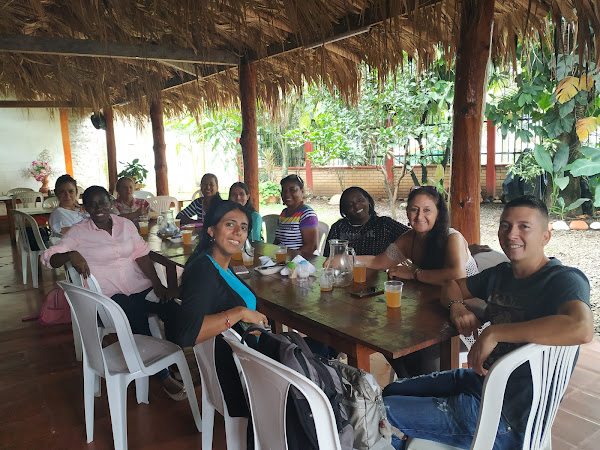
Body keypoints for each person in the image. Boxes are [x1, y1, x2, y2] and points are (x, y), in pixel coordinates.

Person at [382, 195, 593, 449]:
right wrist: (457, 306)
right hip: (481, 382)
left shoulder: (563, 280)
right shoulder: (501, 275)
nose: (511, 234)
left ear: (545, 237)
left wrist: (495, 333)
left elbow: (581, 328)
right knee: (389, 392)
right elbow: (451, 286)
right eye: (505, 225)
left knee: (377, 410)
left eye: (524, 226)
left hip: (506, 416)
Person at [41, 186, 185, 401]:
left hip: (138, 287)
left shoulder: (125, 225)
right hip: (108, 297)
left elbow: (142, 256)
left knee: (174, 310)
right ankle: (162, 375)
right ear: (85, 207)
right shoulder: (79, 231)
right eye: (92, 204)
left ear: (111, 202)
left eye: (102, 202)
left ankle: (172, 359)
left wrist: (157, 285)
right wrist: (71, 253)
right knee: (135, 316)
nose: (98, 207)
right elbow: (49, 258)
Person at [176, 200, 268, 417]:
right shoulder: (204, 272)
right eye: (230, 224)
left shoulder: (220, 265)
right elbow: (189, 333)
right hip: (237, 374)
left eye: (244, 227)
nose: (238, 232)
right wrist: (241, 313)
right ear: (211, 230)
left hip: (245, 358)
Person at [356, 186, 478, 286]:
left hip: (468, 303)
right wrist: (345, 259)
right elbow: (379, 262)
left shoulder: (452, 238)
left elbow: (457, 277)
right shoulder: (409, 239)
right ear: (407, 213)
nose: (419, 216)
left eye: (427, 210)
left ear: (438, 214)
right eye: (414, 210)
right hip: (435, 299)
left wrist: (413, 274)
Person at [323, 186, 409, 257]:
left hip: (376, 275)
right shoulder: (338, 227)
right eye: (350, 204)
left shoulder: (384, 224)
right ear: (344, 210)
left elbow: (413, 237)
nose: (356, 206)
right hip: (345, 274)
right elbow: (328, 256)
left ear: (368, 200)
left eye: (360, 200)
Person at [274, 174, 319, 253]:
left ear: (302, 191)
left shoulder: (307, 215)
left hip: (298, 261)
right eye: (284, 190)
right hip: (282, 259)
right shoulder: (284, 213)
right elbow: (278, 241)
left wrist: (289, 258)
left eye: (292, 190)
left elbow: (311, 247)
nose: (287, 194)